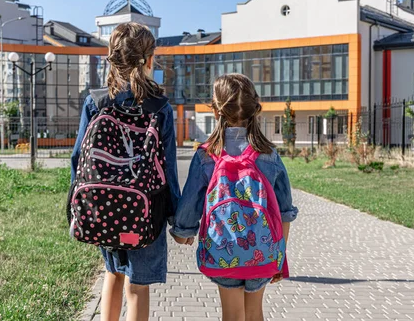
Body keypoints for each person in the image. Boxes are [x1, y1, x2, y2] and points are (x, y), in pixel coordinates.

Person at [70, 22, 180, 321]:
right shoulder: (160, 107)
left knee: (112, 274)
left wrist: (77, 207)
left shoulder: (96, 101)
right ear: (149, 59)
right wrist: (176, 219)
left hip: (103, 204)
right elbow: (168, 169)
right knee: (137, 286)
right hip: (148, 209)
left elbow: (79, 157)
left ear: (112, 56)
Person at [170, 73, 298, 321]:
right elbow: (285, 211)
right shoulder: (269, 154)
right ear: (254, 109)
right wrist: (279, 253)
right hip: (263, 250)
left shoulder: (207, 155)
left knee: (232, 315)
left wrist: (183, 232)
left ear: (216, 111)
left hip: (222, 250)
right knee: (254, 314)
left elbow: (190, 202)